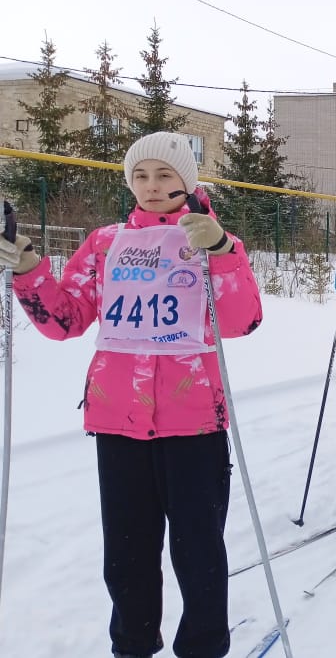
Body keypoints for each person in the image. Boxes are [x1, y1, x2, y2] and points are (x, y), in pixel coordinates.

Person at [0, 132, 263, 658]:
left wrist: (223, 251)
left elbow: (243, 320)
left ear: (186, 181)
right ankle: (132, 646)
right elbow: (68, 319)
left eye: (164, 175)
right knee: (126, 555)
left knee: (199, 553)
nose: (151, 186)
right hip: (118, 417)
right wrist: (30, 272)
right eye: (140, 176)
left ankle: (203, 647)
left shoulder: (212, 240)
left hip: (193, 421)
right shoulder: (106, 241)